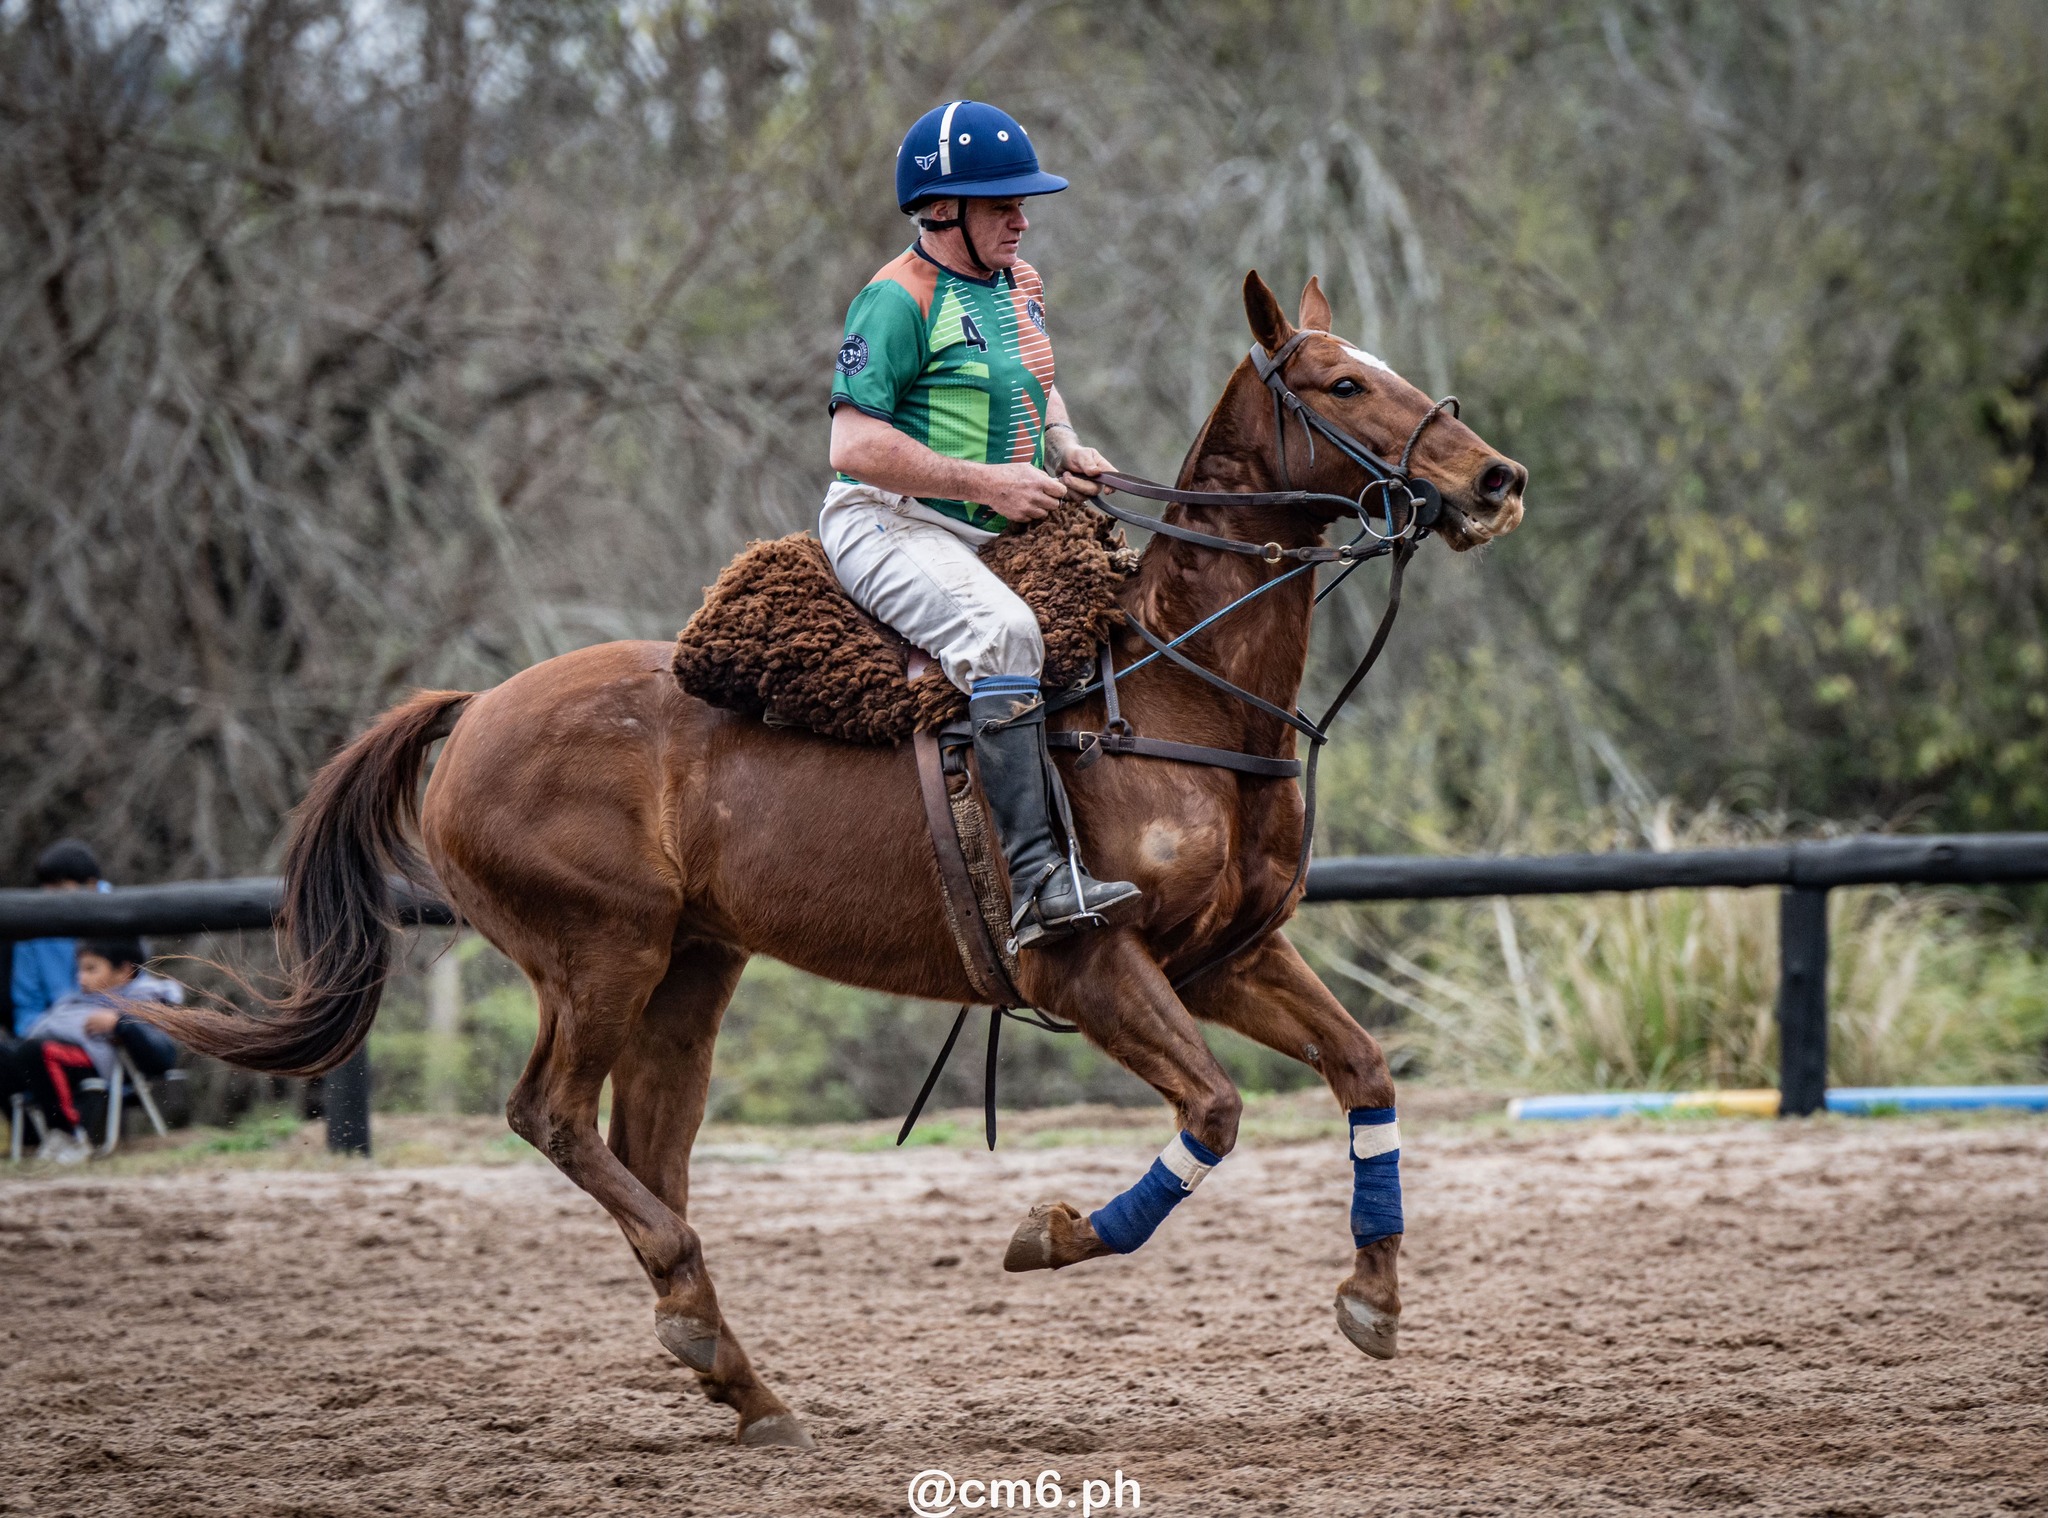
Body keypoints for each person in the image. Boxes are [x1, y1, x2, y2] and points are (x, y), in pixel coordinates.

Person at [823, 100, 1139, 947]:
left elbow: (1037, 380)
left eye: (1023, 203)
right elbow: (851, 445)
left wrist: (1065, 442)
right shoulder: (893, 302)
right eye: (1003, 205)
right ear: (941, 210)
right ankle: (1036, 885)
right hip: (891, 521)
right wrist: (987, 483)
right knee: (1006, 635)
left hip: (989, 521)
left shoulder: (1018, 285)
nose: (1023, 220)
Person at [3, 936, 182, 1163]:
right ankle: (34, 1140)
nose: (81, 978)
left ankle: (69, 1135)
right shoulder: (73, 1002)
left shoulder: (147, 999)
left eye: (91, 969)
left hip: (97, 1064)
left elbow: (162, 1057)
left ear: (124, 970)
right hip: (51, 1059)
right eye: (79, 969)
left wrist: (120, 1024)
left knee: (37, 1052)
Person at [10, 839, 106, 1036]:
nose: (51, 897)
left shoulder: (121, 916)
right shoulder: (32, 928)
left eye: (60, 887)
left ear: (91, 885)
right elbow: (27, 1006)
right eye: (48, 888)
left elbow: (134, 986)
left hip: (110, 1029)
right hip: (53, 1034)